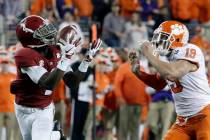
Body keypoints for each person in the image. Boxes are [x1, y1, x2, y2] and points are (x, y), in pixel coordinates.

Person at [10, 15, 102, 140]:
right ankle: (56, 135)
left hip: (43, 109)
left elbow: (72, 82)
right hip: (22, 107)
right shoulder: (24, 55)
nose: (50, 33)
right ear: (30, 38)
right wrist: (66, 58)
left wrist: (87, 59)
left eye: (47, 28)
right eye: (43, 31)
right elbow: (47, 83)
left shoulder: (56, 51)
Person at [129, 20, 210, 140]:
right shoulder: (170, 58)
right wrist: (138, 72)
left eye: (162, 38)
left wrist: (149, 54)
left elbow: (173, 73)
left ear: (177, 39)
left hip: (204, 115)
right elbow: (158, 84)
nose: (158, 41)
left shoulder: (190, 49)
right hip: (183, 121)